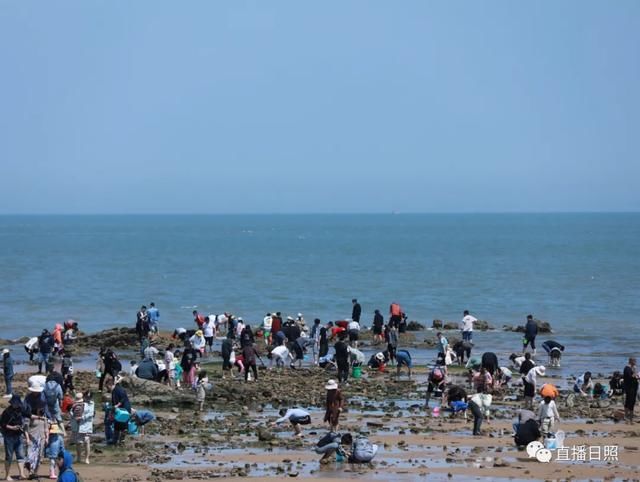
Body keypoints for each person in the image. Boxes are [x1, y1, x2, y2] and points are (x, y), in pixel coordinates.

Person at [1, 394, 27, 480]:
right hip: (9, 436)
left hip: (18, 435)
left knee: (21, 455)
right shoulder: (7, 412)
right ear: (12, 403)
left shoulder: (21, 410)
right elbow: (2, 424)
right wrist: (12, 427)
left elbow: (26, 417)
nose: (16, 405)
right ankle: (7, 475)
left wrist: (21, 427)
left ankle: (22, 474)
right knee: (9, 456)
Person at [70, 391, 94, 465]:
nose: (87, 398)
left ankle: (87, 458)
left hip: (86, 424)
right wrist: (74, 416)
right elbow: (71, 411)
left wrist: (82, 417)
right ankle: (79, 457)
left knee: (86, 441)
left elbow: (91, 413)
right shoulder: (75, 404)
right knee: (78, 442)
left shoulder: (91, 403)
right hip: (77, 424)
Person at [111, 375, 131, 446]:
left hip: (122, 410)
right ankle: (122, 441)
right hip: (127, 409)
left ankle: (115, 441)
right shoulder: (121, 389)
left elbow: (116, 402)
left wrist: (115, 407)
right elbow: (123, 398)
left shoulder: (115, 390)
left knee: (117, 425)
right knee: (124, 425)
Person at [623, 357, 639, 424]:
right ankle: (629, 418)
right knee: (630, 402)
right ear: (631, 361)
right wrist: (635, 371)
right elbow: (631, 377)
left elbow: (634, 377)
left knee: (630, 401)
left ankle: (628, 417)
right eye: (634, 361)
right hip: (630, 388)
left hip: (633, 388)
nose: (635, 362)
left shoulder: (630, 369)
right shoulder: (627, 368)